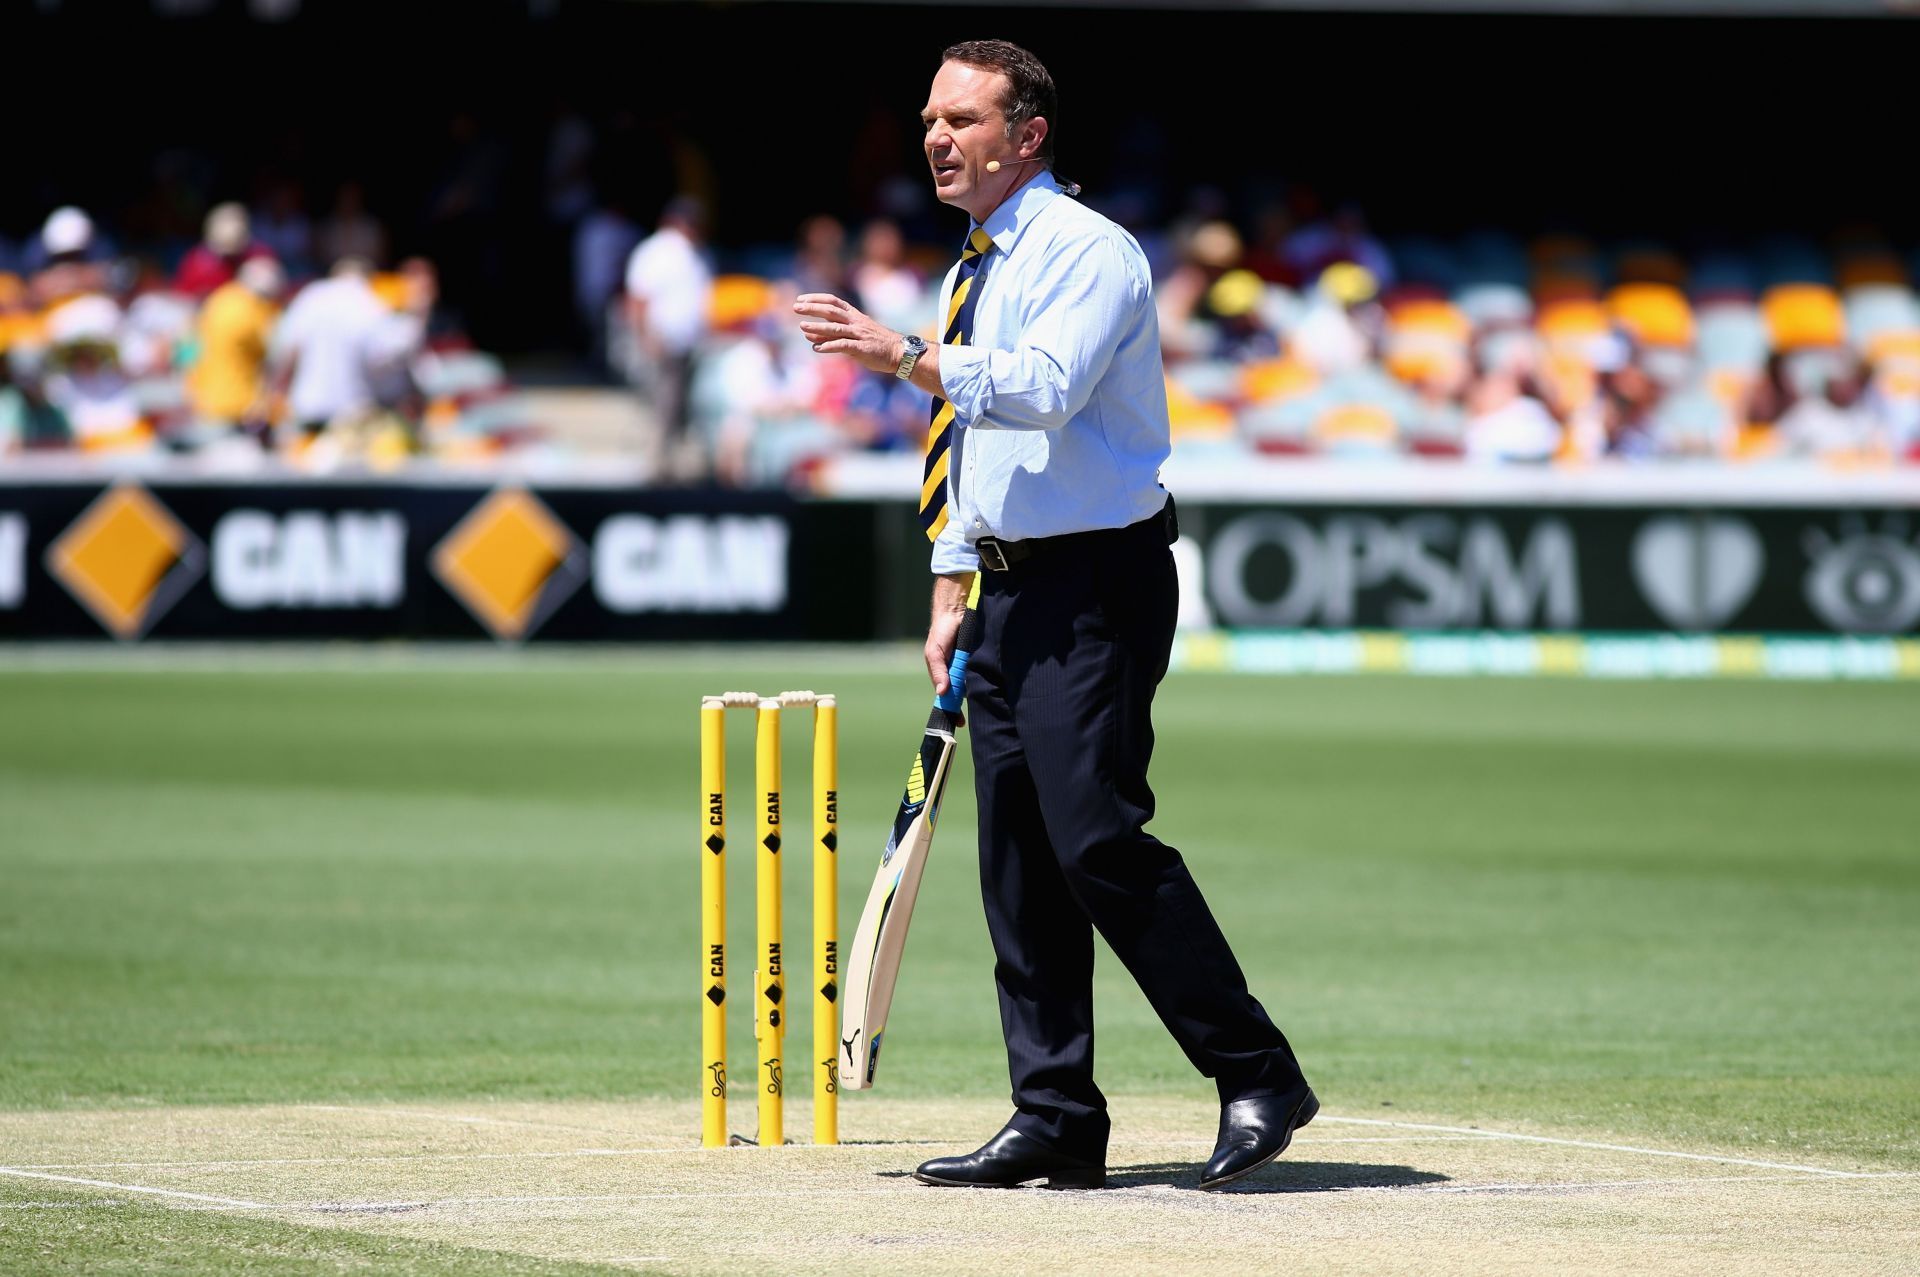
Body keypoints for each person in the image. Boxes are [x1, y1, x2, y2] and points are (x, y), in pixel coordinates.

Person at [794, 39, 1314, 1193]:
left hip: (1100, 583)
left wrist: (906, 356)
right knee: (1020, 862)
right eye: (931, 117)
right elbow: (968, 445)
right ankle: (1058, 1114)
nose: (938, 136)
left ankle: (1259, 1071)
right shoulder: (970, 262)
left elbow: (1042, 387)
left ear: (1028, 134)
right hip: (1009, 585)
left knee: (1095, 839)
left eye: (965, 118)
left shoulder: (1088, 250)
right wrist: (949, 578)